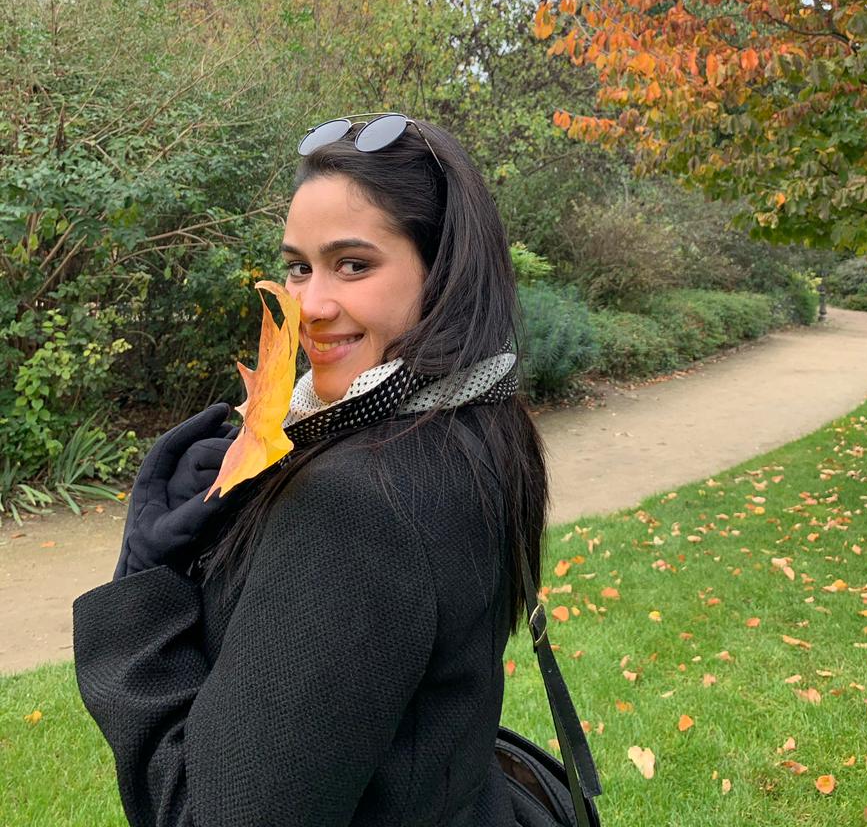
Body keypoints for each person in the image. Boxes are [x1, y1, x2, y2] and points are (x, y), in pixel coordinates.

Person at [73, 113, 549, 827]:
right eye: (298, 266)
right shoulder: (474, 426)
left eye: (354, 264)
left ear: (442, 270)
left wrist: (143, 591)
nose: (311, 305)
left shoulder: (356, 505)